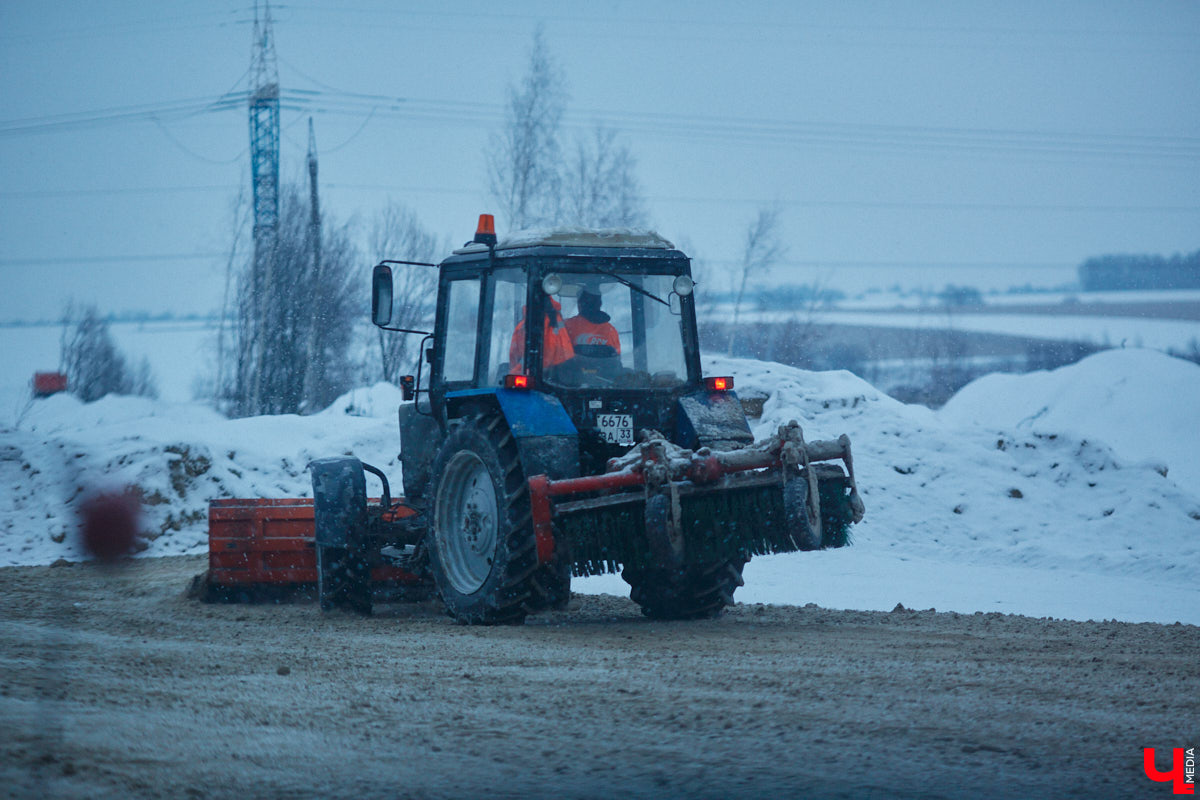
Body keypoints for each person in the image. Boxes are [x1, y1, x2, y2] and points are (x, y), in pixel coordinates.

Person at [508, 297, 574, 374]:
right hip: (559, 370)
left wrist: (518, 368)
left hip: (539, 371)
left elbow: (513, 354)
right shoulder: (556, 321)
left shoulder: (522, 326)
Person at [564, 290, 621, 356]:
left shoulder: (567, 326)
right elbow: (616, 358)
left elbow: (560, 354)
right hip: (603, 366)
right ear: (600, 304)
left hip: (575, 366)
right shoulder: (611, 331)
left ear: (580, 305)